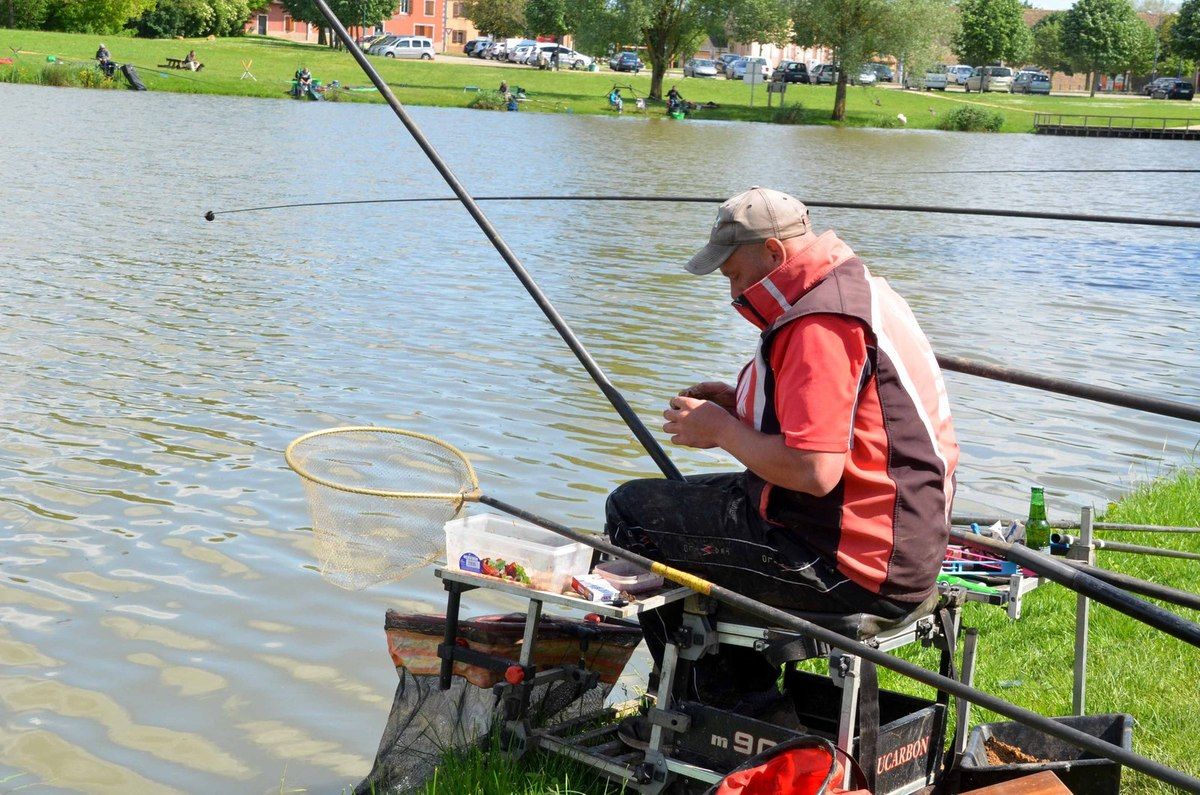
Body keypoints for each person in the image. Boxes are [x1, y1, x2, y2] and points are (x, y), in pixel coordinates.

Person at [606, 186, 958, 735]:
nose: (731, 289)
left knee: (632, 513)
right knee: (687, 514)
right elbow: (841, 419)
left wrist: (721, 431)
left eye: (734, 272)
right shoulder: (859, 287)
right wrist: (742, 405)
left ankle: (713, 715)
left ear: (774, 253)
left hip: (849, 563)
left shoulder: (817, 322)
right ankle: (736, 697)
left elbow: (816, 471)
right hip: (903, 542)